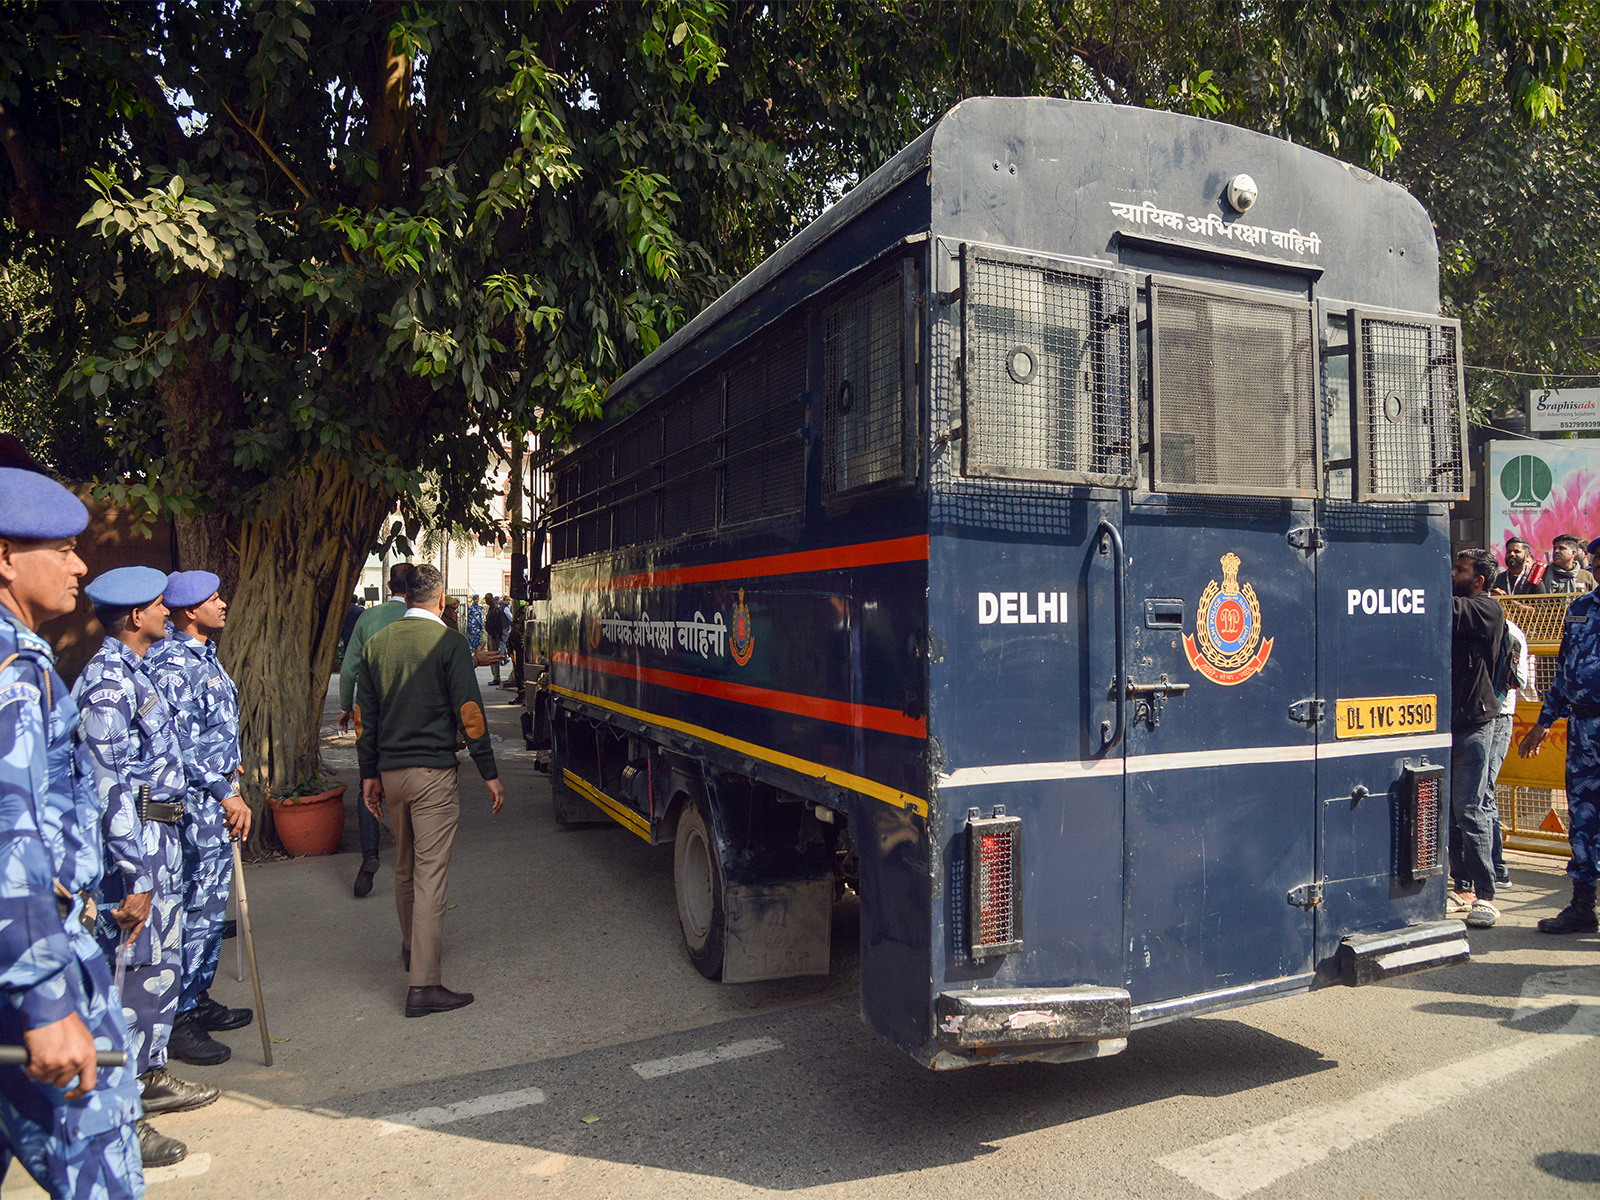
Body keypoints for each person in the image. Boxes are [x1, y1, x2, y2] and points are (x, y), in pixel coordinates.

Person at [0, 469, 144, 1197]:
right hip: (26, 971)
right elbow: (8, 838)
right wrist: (46, 1001)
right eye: (60, 548)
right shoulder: (14, 668)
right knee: (103, 1178)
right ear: (4, 557)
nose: (80, 565)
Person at [75, 566, 217, 1168]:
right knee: (127, 986)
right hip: (133, 857)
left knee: (158, 971)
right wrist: (135, 875)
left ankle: (152, 1076)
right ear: (136, 616)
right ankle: (121, 1120)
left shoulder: (137, 673)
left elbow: (155, 773)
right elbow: (106, 789)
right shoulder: (107, 684)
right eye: (161, 605)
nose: (168, 611)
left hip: (160, 841)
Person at [354, 564, 504, 1017]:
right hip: (433, 773)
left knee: (404, 866)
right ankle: (424, 985)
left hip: (392, 774)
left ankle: (409, 949)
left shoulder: (378, 643)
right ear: (441, 601)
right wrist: (488, 771)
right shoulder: (449, 643)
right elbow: (470, 710)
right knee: (430, 875)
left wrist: (368, 774)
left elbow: (365, 716)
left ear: (405, 597)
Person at [147, 572, 253, 1068]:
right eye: (213, 599)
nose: (223, 603)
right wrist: (219, 788)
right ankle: (179, 1019)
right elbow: (177, 746)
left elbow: (210, 731)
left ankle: (198, 996)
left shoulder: (201, 655)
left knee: (210, 910)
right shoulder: (171, 664)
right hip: (191, 808)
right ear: (189, 611)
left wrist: (228, 773)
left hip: (215, 803)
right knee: (193, 911)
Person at [1518, 533, 1600, 934]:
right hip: (1585, 731)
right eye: (1597, 559)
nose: (1599, 564)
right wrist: (1543, 722)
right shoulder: (1580, 608)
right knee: (1582, 818)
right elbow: (1565, 672)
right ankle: (1583, 906)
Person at [338, 563, 413, 898]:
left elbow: (350, 667)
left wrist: (345, 705)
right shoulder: (420, 618)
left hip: (369, 713)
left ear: (388, 584)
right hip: (410, 714)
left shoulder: (368, 619)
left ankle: (370, 855)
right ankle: (412, 853)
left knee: (369, 777)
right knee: (414, 776)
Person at [1448, 548, 1505, 928]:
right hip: (1451, 722)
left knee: (1470, 809)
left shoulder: (1486, 608)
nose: (1453, 574)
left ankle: (1485, 893)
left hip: (1475, 722)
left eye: (1460, 569)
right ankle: (1463, 887)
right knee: (1452, 812)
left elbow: (1444, 607)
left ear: (1479, 580)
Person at [1482, 614, 1533, 891]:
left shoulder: (1510, 630)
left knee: (1485, 792)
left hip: (1498, 717)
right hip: (1471, 718)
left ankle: (1497, 868)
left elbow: (1520, 680)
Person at [484, 594, 504, 685]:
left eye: (488, 599)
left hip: (494, 635)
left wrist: (499, 636)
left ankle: (497, 677)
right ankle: (494, 676)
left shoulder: (496, 609)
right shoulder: (491, 608)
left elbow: (499, 624)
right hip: (490, 634)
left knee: (494, 656)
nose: (487, 601)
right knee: (491, 655)